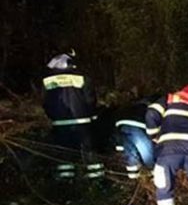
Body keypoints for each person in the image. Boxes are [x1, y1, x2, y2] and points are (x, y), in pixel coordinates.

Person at [42, 51, 105, 181]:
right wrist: (90, 113)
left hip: (60, 123)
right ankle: (97, 179)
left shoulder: (47, 81)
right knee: (89, 150)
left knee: (64, 152)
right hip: (82, 120)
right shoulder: (82, 78)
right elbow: (90, 99)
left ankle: (66, 181)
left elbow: (45, 103)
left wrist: (52, 116)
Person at [113, 97, 156, 179]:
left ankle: (133, 176)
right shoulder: (150, 109)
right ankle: (154, 174)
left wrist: (118, 145)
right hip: (137, 125)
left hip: (121, 125)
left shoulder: (131, 107)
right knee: (147, 151)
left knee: (130, 151)